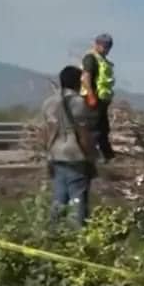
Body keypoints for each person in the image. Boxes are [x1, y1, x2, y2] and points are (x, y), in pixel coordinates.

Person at [42, 66, 98, 225]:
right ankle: (78, 237)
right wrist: (90, 156)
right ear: (77, 83)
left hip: (55, 153)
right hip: (75, 155)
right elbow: (83, 133)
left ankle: (53, 232)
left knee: (59, 196)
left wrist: (48, 154)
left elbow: (46, 132)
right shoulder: (79, 103)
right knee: (77, 198)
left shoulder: (49, 102)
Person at [81, 33, 116, 162]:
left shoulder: (103, 60)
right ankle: (89, 157)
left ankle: (108, 157)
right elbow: (86, 76)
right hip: (92, 99)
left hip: (102, 101)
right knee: (93, 129)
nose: (107, 49)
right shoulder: (91, 58)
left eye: (108, 46)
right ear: (97, 44)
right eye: (104, 46)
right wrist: (90, 95)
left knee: (103, 129)